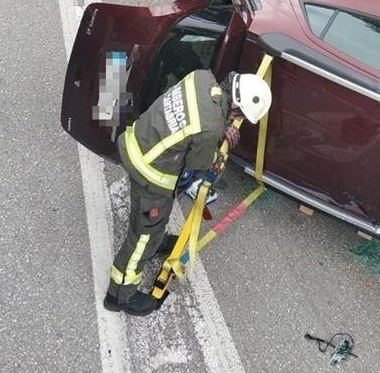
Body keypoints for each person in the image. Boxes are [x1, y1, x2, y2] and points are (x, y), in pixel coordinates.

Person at [104, 68, 272, 316]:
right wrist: (219, 148)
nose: (237, 119)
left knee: (153, 227)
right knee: (142, 237)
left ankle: (155, 239)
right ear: (237, 108)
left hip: (140, 140)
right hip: (150, 174)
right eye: (239, 116)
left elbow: (200, 120)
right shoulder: (212, 128)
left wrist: (220, 126)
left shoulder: (202, 78)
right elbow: (200, 165)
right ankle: (120, 295)